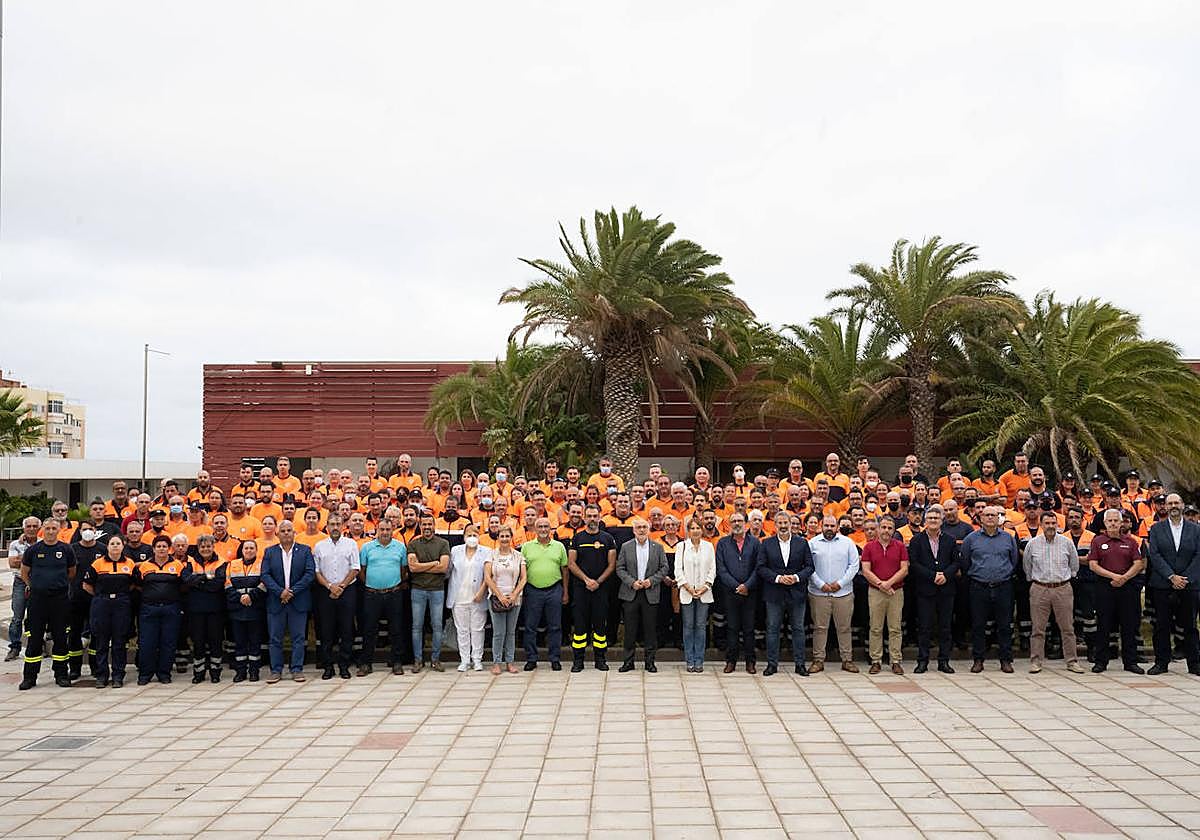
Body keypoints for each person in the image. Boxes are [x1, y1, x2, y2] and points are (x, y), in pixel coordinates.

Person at [1023, 511, 1084, 674]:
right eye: (1047, 523)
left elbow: (1074, 566)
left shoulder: (1067, 543)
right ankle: (1036, 661)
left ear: (1058, 524)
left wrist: (1065, 580)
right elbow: (1027, 566)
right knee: (1038, 628)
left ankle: (1072, 661)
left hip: (1062, 588)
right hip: (1039, 588)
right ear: (1041, 525)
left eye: (1053, 523)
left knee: (1067, 628)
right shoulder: (1032, 544)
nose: (1050, 526)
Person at [18, 518, 76, 690]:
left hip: (59, 600)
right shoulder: (33, 550)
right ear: (43, 530)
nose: (51, 531)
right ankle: (29, 677)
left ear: (58, 530)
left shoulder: (66, 549)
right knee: (35, 638)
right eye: (48, 528)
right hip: (38, 600)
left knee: (60, 637)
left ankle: (61, 675)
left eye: (54, 528)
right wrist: (34, 586)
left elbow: (71, 572)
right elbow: (24, 572)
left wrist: (57, 584)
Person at [1145, 494, 1200, 675]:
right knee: (1161, 626)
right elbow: (1155, 555)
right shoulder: (1156, 529)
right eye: (1170, 503)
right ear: (1165, 507)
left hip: (1189, 585)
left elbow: (1198, 555)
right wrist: (1171, 576)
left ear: (1182, 505)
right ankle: (1161, 663)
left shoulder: (1196, 529)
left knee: (1190, 626)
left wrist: (1184, 579)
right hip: (1163, 585)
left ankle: (1194, 663)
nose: (1173, 506)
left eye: (1177, 502)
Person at [960, 506, 1020, 673]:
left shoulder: (1008, 538)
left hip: (1003, 586)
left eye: (993, 515)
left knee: (1004, 625)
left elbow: (1014, 560)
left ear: (999, 518)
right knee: (978, 625)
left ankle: (1006, 660)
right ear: (981, 519)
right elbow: (965, 561)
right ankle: (978, 660)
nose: (990, 518)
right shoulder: (971, 539)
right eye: (986, 515)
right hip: (979, 587)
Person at [1088, 509, 1145, 674]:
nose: (1113, 523)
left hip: (1127, 588)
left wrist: (1124, 578)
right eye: (1110, 521)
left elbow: (1138, 564)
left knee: (1129, 626)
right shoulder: (1097, 541)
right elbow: (1093, 565)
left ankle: (1130, 662)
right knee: (1103, 625)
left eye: (1116, 521)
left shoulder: (1131, 542)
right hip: (1105, 587)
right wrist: (1114, 576)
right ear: (1105, 523)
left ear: (1121, 523)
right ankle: (1101, 661)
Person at [758, 511, 815, 677]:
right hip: (774, 593)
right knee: (772, 629)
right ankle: (772, 664)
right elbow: (761, 567)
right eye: (780, 523)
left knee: (798, 629)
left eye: (786, 523)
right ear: (775, 525)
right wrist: (778, 578)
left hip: (796, 593)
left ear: (791, 524)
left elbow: (810, 567)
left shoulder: (802, 543)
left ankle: (800, 664)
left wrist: (796, 577)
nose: (783, 526)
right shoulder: (766, 543)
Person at [907, 505, 960, 674]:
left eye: (936, 518)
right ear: (925, 521)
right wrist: (933, 576)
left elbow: (956, 562)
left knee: (945, 627)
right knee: (924, 627)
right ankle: (922, 661)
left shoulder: (950, 540)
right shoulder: (916, 540)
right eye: (930, 518)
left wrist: (946, 575)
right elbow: (914, 564)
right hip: (925, 589)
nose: (933, 521)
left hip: (946, 589)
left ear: (942, 521)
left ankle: (944, 661)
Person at [261, 520, 316, 683]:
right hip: (276, 601)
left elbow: (309, 573)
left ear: (294, 533)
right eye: (283, 531)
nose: (286, 533)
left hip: (298, 600)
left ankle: (297, 669)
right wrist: (280, 592)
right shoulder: (269, 552)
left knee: (298, 638)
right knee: (275, 638)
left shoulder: (305, 550)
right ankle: (276, 670)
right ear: (277, 534)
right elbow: (265, 575)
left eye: (289, 530)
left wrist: (292, 591)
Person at [567, 504, 617, 671]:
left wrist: (598, 582)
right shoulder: (577, 538)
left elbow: (612, 565)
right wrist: (587, 580)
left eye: (595, 516)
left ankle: (600, 659)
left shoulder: (607, 539)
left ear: (600, 517)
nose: (592, 519)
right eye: (589, 516)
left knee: (600, 626)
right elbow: (571, 563)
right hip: (581, 589)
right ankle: (578, 660)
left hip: (601, 589)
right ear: (584, 517)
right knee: (580, 626)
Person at [807, 514, 860, 673]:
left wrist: (840, 583)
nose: (829, 529)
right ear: (821, 526)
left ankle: (847, 660)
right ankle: (818, 660)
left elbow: (854, 565)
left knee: (844, 627)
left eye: (832, 526)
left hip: (843, 593)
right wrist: (820, 584)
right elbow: (808, 566)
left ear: (837, 527)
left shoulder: (848, 543)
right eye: (826, 526)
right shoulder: (812, 543)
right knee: (819, 628)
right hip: (818, 593)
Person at [82, 534, 135, 688]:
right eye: (112, 543)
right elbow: (86, 585)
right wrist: (101, 596)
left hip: (121, 604)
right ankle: (101, 675)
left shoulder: (129, 563)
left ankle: (118, 676)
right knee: (101, 642)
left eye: (118, 543)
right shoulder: (98, 563)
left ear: (123, 546)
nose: (115, 546)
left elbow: (134, 584)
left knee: (119, 642)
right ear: (107, 546)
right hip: (102, 604)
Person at [133, 534, 187, 686]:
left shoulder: (177, 565)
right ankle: (145, 674)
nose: (161, 549)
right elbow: (137, 584)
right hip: (149, 609)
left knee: (168, 642)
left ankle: (164, 673)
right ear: (153, 549)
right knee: (147, 642)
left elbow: (184, 584)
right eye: (158, 546)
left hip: (171, 608)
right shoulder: (144, 566)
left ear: (169, 549)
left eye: (164, 546)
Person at [357, 518, 409, 676]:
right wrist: (372, 584)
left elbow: (403, 570)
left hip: (393, 593)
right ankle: (366, 663)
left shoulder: (400, 547)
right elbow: (362, 570)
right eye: (382, 529)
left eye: (388, 529)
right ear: (376, 530)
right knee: (369, 629)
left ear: (392, 530)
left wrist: (394, 583)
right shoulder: (367, 547)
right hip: (372, 594)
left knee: (396, 629)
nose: (385, 532)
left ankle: (397, 662)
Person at [616, 518, 667, 673]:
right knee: (630, 630)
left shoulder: (658, 547)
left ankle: (650, 662)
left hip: (650, 593)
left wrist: (651, 581)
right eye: (639, 527)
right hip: (631, 593)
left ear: (649, 529)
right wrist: (632, 582)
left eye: (644, 527)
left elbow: (664, 568)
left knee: (650, 630)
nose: (642, 530)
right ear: (634, 530)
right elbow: (620, 568)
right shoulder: (626, 547)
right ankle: (628, 662)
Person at [313, 514, 360, 680]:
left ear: (343, 526)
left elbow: (355, 568)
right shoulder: (319, 546)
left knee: (346, 629)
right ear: (326, 526)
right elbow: (316, 571)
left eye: (338, 524)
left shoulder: (351, 544)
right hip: (326, 591)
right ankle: (328, 666)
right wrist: (329, 586)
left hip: (347, 590)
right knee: (326, 630)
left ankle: (344, 665)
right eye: (332, 524)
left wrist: (341, 586)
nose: (335, 527)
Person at [520, 517, 570, 671]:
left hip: (554, 589)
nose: (543, 529)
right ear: (535, 529)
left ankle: (555, 659)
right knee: (530, 626)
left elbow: (565, 570)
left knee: (555, 626)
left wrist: (565, 592)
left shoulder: (559, 546)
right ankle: (531, 658)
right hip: (532, 590)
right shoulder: (526, 547)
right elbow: (521, 571)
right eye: (540, 527)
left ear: (550, 529)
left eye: (546, 526)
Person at [861, 516, 909, 675]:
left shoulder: (900, 546)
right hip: (875, 592)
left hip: (896, 592)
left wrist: (888, 583)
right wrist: (881, 585)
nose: (886, 531)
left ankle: (896, 661)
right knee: (875, 627)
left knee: (895, 628)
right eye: (883, 527)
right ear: (878, 529)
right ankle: (876, 660)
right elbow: (866, 570)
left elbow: (904, 569)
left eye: (889, 528)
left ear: (894, 530)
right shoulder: (869, 547)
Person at [715, 513, 761, 674]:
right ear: (729, 524)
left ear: (746, 523)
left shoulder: (755, 543)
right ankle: (731, 661)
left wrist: (747, 585)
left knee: (749, 628)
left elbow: (758, 567)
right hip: (730, 592)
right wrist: (737, 586)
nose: (736, 523)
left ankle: (750, 662)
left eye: (739, 520)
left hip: (750, 592)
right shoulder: (723, 543)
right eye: (733, 521)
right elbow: (721, 569)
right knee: (732, 627)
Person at [408, 513, 451, 672]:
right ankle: (418, 660)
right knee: (417, 626)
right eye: (424, 524)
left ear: (434, 525)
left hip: (437, 590)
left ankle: (435, 659)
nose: (427, 527)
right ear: (420, 526)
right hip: (418, 589)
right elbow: (413, 568)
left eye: (429, 524)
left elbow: (443, 568)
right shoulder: (413, 544)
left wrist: (422, 566)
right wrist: (433, 563)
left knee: (437, 626)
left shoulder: (443, 543)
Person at [183, 534, 228, 682]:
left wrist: (198, 581)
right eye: (202, 546)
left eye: (208, 546)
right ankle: (199, 673)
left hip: (215, 609)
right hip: (196, 610)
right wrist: (206, 578)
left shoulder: (221, 562)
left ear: (213, 547)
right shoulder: (190, 561)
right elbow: (187, 580)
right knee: (198, 641)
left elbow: (218, 584)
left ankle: (215, 672)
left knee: (216, 641)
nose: (205, 549)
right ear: (198, 548)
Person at [483, 525, 526, 674]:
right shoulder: (491, 555)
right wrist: (500, 595)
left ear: (511, 537)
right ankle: (496, 662)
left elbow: (524, 578)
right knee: (498, 632)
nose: (505, 539)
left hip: (515, 598)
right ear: (498, 538)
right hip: (496, 598)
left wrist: (514, 594)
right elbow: (487, 577)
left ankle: (510, 661)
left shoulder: (518, 556)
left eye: (507, 536)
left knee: (510, 632)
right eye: (502, 536)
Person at [675, 518, 716, 672]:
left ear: (702, 529)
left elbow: (712, 569)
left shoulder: (708, 546)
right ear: (688, 530)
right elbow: (678, 570)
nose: (695, 531)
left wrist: (705, 586)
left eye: (698, 528)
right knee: (688, 626)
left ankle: (699, 660)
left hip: (704, 592)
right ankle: (689, 660)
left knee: (700, 626)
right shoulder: (682, 546)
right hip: (687, 592)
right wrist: (688, 587)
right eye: (692, 528)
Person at [447, 523, 490, 671]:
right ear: (464, 536)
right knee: (462, 630)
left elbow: (488, 575)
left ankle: (477, 659)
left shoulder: (486, 551)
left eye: (475, 535)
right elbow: (449, 571)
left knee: (478, 629)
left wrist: (482, 591)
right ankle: (464, 660)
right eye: (469, 535)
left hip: (478, 596)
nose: (472, 537)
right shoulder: (455, 551)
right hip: (459, 597)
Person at [65, 522, 105, 681]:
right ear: (79, 531)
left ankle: (96, 667)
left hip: (96, 598)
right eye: (84, 529)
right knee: (74, 633)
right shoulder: (72, 549)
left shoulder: (102, 549)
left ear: (95, 531)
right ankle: (75, 668)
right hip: (76, 598)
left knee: (97, 633)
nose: (88, 532)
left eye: (91, 529)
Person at [226, 539, 266, 682]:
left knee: (255, 641)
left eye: (251, 548)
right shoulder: (232, 564)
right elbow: (227, 584)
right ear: (242, 550)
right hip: (237, 609)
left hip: (255, 608)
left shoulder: (262, 564)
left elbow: (265, 583)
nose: (249, 551)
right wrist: (240, 598)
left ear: (256, 550)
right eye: (246, 548)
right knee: (239, 642)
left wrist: (251, 596)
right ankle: (240, 671)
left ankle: (254, 671)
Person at [6, 517, 40, 661]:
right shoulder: (15, 544)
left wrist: (23, 558)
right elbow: (12, 563)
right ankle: (14, 647)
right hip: (20, 582)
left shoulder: (43, 542)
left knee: (37, 616)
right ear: (23, 528)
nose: (31, 529)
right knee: (17, 617)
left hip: (38, 583)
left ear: (39, 528)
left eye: (34, 526)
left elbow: (44, 562)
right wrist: (35, 558)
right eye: (28, 526)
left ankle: (37, 645)